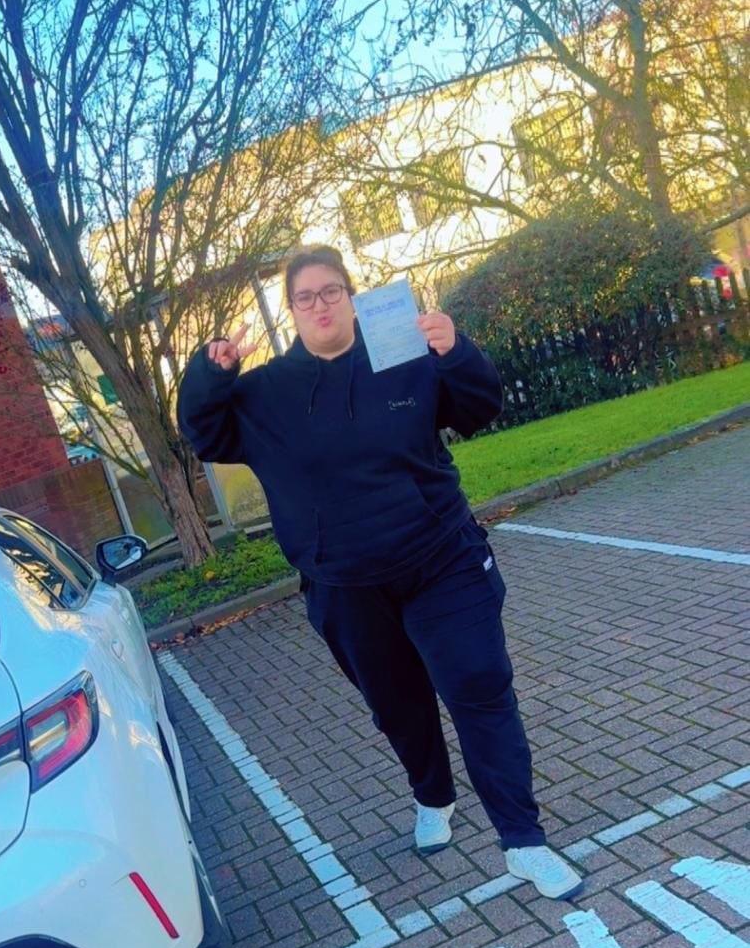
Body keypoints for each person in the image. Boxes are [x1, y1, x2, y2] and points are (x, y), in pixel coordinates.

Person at [178, 244, 582, 899]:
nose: (320, 306)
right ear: (292, 311)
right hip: (346, 585)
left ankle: (522, 840)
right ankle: (433, 795)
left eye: (331, 290)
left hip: (440, 560)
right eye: (305, 297)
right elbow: (204, 433)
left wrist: (455, 350)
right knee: (398, 707)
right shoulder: (266, 395)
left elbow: (477, 407)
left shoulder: (402, 356)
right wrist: (209, 374)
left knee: (478, 684)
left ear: (351, 295)